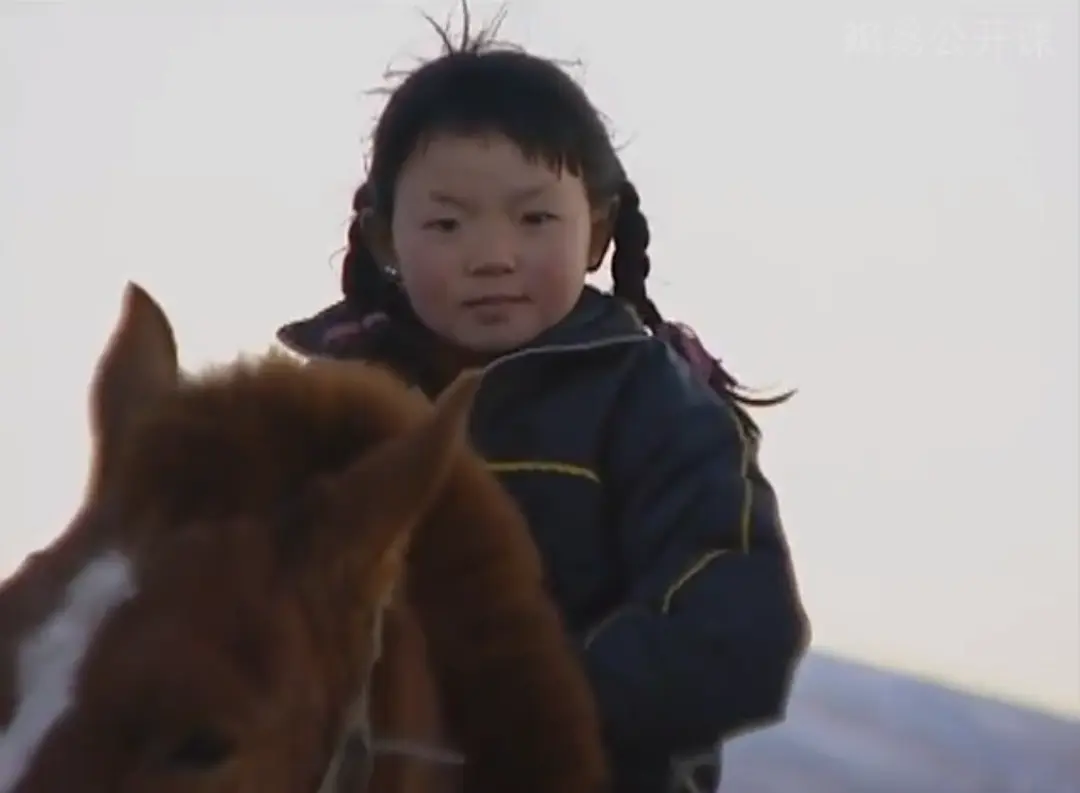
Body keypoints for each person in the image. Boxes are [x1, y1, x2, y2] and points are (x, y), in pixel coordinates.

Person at [276, 21, 810, 793]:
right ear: (384, 236)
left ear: (596, 230)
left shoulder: (654, 403)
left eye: (534, 219)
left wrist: (520, 707)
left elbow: (733, 634)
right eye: (447, 223)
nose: (492, 254)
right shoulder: (325, 409)